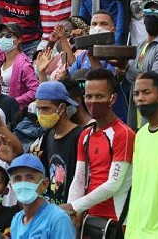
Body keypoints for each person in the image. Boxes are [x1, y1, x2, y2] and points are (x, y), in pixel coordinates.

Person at [64, 69, 135, 222]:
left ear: (113, 98)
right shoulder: (85, 134)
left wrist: (75, 206)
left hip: (114, 221)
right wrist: (70, 212)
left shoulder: (124, 134)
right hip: (88, 217)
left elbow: (114, 184)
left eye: (99, 96)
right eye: (89, 96)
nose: (93, 101)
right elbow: (79, 180)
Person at [125, 71, 158, 238]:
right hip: (136, 232)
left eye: (146, 92)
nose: (140, 98)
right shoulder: (139, 136)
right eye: (136, 94)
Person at [32, 81, 82, 205]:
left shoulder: (80, 135)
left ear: (62, 108)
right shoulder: (48, 136)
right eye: (38, 109)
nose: (41, 114)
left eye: (46, 108)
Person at [8, 154, 75, 239]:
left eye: (30, 177)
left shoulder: (57, 219)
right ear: (11, 185)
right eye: (17, 178)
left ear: (44, 184)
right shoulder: (16, 220)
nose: (23, 183)